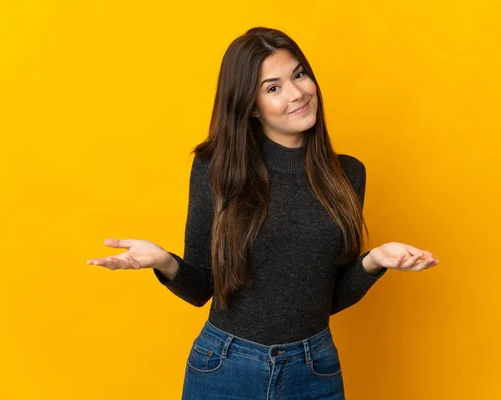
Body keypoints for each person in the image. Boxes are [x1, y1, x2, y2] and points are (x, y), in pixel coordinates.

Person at [86, 27, 439, 400]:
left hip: (315, 369)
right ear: (251, 107)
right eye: (273, 87)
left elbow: (325, 297)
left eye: (299, 74)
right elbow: (201, 287)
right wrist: (164, 262)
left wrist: (374, 261)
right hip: (226, 367)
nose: (297, 93)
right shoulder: (216, 169)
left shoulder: (347, 175)